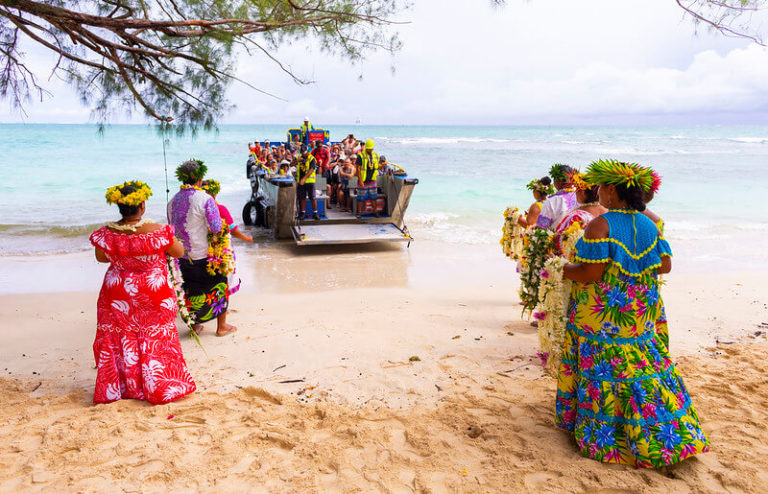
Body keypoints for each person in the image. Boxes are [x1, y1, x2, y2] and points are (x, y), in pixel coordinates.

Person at [556, 159, 709, 468]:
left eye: (600, 186)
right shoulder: (649, 223)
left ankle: (609, 436)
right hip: (638, 314)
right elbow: (664, 265)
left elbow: (590, 273)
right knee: (642, 367)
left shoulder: (601, 224)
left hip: (604, 318)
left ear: (612, 190)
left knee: (604, 369)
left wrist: (560, 269)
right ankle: (666, 429)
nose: (596, 191)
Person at [89, 180, 195, 404]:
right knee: (154, 336)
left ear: (119, 207)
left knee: (121, 337)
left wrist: (124, 255)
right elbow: (178, 252)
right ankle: (158, 384)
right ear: (142, 206)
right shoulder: (157, 231)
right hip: (152, 289)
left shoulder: (108, 232)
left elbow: (101, 258)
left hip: (118, 291)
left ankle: (124, 387)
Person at [168, 159, 236, 337]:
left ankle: (195, 325)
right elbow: (215, 227)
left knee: (190, 290)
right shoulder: (205, 199)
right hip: (204, 256)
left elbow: (171, 227)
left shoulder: (172, 201)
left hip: (182, 257)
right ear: (199, 179)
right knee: (220, 284)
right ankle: (221, 326)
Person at [201, 179, 252, 297]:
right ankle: (222, 305)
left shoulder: (198, 209)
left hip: (204, 248)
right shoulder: (220, 209)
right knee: (224, 274)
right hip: (221, 248)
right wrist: (246, 238)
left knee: (209, 274)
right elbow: (233, 230)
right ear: (214, 193)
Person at [553, 170, 607, 253]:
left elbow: (559, 242)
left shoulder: (576, 216)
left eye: (577, 191)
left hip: (579, 262)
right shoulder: (608, 211)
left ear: (583, 193)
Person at [536, 163, 578, 229]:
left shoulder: (552, 201)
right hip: (577, 236)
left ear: (557, 181)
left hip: (556, 237)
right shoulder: (579, 197)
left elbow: (541, 227)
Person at [356, 139, 380, 217]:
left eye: (371, 149)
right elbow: (358, 169)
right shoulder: (360, 155)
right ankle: (359, 212)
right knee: (361, 198)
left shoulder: (376, 155)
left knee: (374, 197)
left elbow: (376, 166)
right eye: (369, 148)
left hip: (372, 180)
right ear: (366, 148)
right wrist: (360, 181)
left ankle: (375, 211)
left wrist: (382, 165)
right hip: (363, 180)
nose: (370, 150)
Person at [296, 144, 320, 221]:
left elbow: (311, 169)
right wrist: (297, 161)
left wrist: (304, 178)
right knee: (302, 197)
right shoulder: (299, 157)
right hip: (300, 182)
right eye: (302, 153)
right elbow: (290, 164)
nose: (304, 154)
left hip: (310, 181)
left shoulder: (311, 158)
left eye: (305, 152)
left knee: (312, 197)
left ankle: (315, 213)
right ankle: (303, 213)